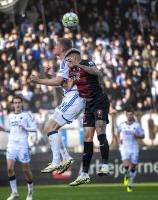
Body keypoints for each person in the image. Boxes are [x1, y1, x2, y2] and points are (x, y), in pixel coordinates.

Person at [30, 38, 85, 174]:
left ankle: (57, 161)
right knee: (50, 128)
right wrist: (54, 74)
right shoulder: (67, 61)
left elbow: (59, 82)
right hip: (72, 96)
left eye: (56, 45)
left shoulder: (68, 59)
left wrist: (39, 81)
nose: (54, 48)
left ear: (62, 48)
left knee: (49, 127)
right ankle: (65, 158)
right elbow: (65, 82)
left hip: (74, 97)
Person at [63, 48, 111, 186]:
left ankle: (105, 165)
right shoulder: (71, 72)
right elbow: (68, 86)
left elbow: (97, 72)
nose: (66, 63)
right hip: (88, 105)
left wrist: (79, 65)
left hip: (99, 101)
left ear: (74, 58)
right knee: (87, 137)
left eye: (68, 60)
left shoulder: (87, 63)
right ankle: (84, 173)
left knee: (100, 130)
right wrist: (52, 75)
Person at [0, 95, 37, 200]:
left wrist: (26, 127)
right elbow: (11, 130)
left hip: (23, 146)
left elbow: (34, 129)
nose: (17, 104)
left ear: (22, 103)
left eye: (19, 102)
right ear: (13, 104)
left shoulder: (26, 115)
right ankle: (14, 192)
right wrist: (3, 129)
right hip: (11, 145)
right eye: (15, 102)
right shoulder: (10, 116)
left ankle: (30, 193)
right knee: (9, 169)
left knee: (26, 170)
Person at [116, 107, 144, 192]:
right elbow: (117, 132)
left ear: (133, 115)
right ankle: (128, 179)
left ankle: (130, 182)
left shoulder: (137, 125)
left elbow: (143, 135)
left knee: (133, 168)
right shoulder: (122, 125)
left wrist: (137, 136)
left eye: (131, 114)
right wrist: (118, 141)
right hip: (124, 147)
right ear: (126, 115)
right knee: (126, 166)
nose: (129, 116)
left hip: (134, 148)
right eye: (128, 114)